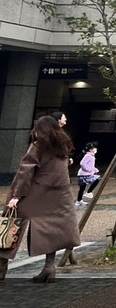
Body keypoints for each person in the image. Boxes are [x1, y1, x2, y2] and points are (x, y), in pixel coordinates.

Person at [1, 115, 81, 283]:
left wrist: (16, 196)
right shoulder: (63, 146)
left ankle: (1, 267)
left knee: (11, 222)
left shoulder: (38, 146)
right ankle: (49, 267)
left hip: (36, 193)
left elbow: (26, 171)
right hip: (58, 196)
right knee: (52, 230)